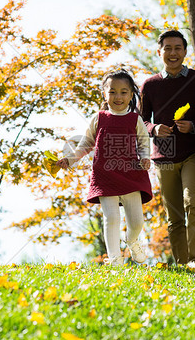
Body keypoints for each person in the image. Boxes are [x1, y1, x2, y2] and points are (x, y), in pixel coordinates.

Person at [56, 68, 152, 266]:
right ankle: (115, 260)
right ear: (104, 94)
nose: (118, 96)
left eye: (123, 92)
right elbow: (85, 144)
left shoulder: (136, 119)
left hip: (132, 176)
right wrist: (70, 159)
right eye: (112, 92)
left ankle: (132, 241)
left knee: (136, 222)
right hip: (105, 176)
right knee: (111, 219)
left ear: (131, 94)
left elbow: (143, 143)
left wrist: (145, 158)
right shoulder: (99, 118)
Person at [140, 30, 195, 266]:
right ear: (159, 52)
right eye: (167, 48)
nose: (173, 53)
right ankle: (182, 263)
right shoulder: (149, 85)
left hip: (193, 152)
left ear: (185, 51)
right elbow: (141, 120)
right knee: (174, 215)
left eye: (177, 48)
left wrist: (193, 125)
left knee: (194, 203)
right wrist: (154, 129)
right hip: (164, 156)